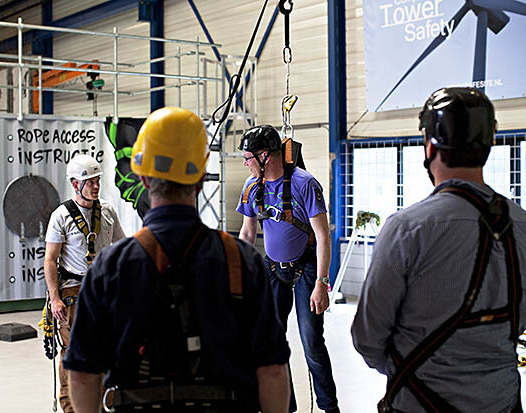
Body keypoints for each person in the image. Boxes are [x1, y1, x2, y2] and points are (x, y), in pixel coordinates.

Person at [64, 107, 291, 413]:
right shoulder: (242, 261)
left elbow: (81, 376)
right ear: (200, 176)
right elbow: (273, 370)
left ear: (142, 177)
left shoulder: (110, 267)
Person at [351, 87, 526, 412]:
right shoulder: (522, 224)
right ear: (489, 143)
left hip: (419, 401)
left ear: (430, 145)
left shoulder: (407, 228)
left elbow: (368, 336)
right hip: (503, 402)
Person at [237, 125, 340, 413]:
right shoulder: (251, 187)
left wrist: (321, 283)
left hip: (306, 267)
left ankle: (330, 408)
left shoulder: (304, 184)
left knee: (311, 342)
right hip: (273, 270)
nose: (245, 164)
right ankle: (286, 406)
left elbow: (322, 235)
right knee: (271, 342)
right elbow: (247, 234)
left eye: (248, 158)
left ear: (265, 156)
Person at [44, 154, 126, 413]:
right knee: (73, 352)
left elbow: (121, 248)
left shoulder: (108, 211)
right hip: (73, 292)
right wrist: (55, 299)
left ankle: (105, 404)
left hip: (103, 290)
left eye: (97, 180)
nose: (95, 185)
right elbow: (50, 259)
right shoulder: (61, 216)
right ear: (75, 184)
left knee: (108, 348)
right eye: (89, 181)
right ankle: (71, 408)